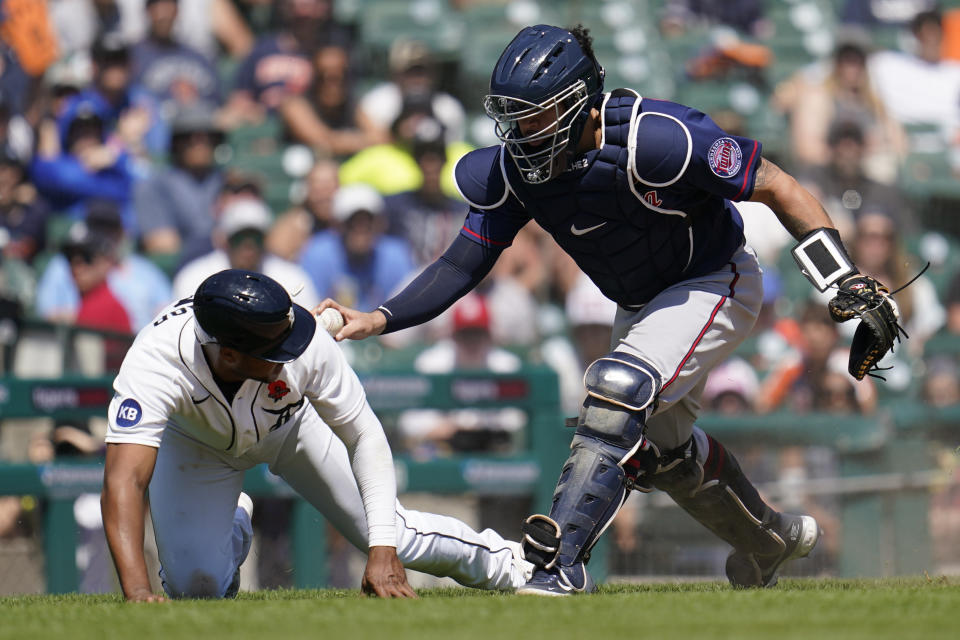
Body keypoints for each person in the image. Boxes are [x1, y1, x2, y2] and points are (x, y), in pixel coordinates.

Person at [319, 24, 895, 595]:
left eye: (536, 115)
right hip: (642, 305)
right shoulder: (517, 171)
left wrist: (841, 278)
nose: (520, 131)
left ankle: (559, 565)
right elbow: (461, 262)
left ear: (580, 105)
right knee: (665, 453)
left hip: (714, 278)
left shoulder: (660, 139)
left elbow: (775, 184)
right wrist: (381, 317)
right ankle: (769, 540)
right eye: (512, 116)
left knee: (617, 392)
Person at [100, 268, 531, 601]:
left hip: (292, 427)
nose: (292, 350)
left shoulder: (304, 341)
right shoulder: (156, 361)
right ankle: (231, 526)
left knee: (397, 536)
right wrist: (138, 593)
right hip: (196, 442)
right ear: (229, 354)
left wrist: (380, 548)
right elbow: (125, 479)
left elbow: (364, 434)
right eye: (275, 350)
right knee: (197, 588)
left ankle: (521, 567)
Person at [172, 197, 319, 309]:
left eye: (255, 238)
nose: (248, 245)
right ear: (224, 240)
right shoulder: (194, 277)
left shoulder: (291, 277)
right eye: (240, 237)